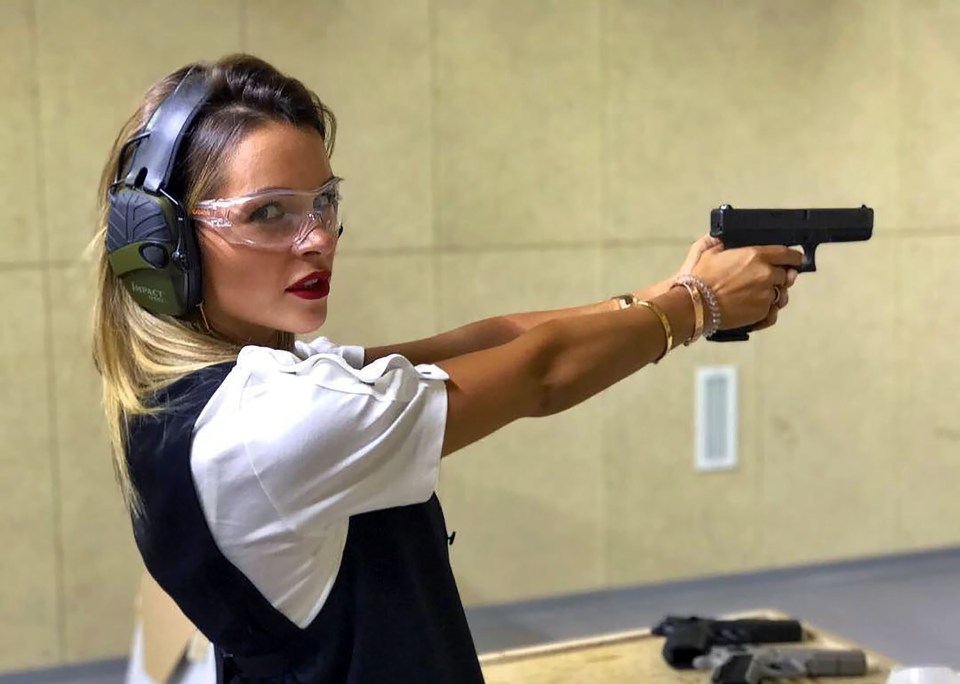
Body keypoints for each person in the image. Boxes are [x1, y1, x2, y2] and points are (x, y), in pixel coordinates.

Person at [92, 54, 802, 684]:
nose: (317, 240)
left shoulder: (221, 394)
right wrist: (698, 307)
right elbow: (539, 374)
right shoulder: (269, 424)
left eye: (325, 203)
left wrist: (658, 295)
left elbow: (478, 343)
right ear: (160, 242)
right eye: (270, 213)